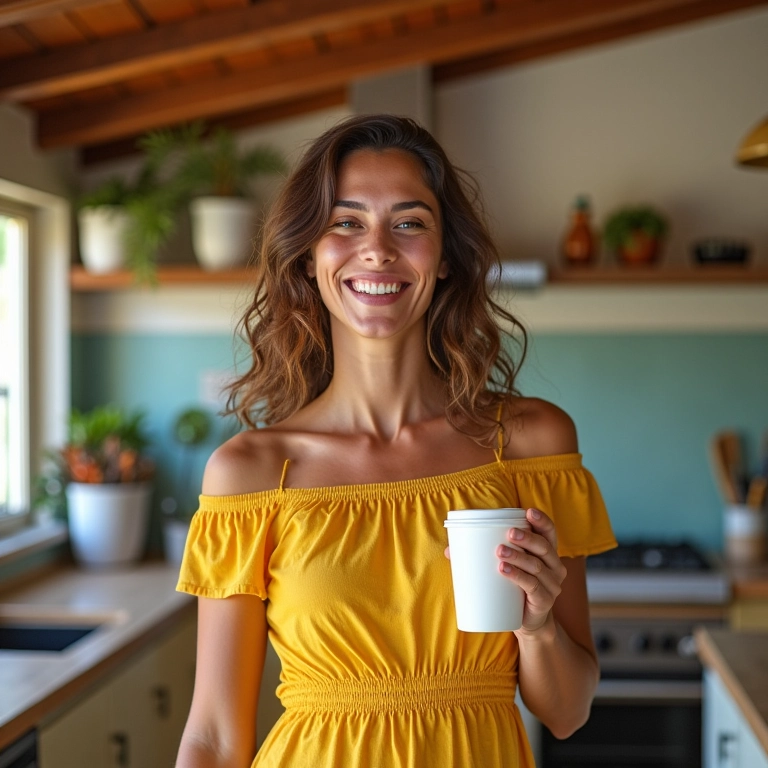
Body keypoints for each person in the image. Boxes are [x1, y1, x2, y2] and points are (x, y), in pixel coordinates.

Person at [175, 114, 616, 768]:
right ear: (309, 256)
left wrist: (538, 625)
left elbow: (568, 712)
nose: (377, 249)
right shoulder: (252, 471)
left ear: (445, 258)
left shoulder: (530, 444)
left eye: (409, 223)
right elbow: (213, 736)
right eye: (345, 222)